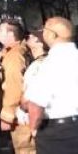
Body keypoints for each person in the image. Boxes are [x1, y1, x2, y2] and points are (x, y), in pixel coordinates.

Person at [25, 17, 78, 154]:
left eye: (44, 29)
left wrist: (33, 129)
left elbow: (36, 104)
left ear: (52, 35)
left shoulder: (50, 64)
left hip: (58, 133)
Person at [0, 19, 34, 153]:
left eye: (0, 30)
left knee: (25, 149)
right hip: (27, 112)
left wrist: (7, 116)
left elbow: (14, 87)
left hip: (20, 116)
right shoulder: (19, 51)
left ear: (11, 35)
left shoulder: (14, 57)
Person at [17, 28, 48, 129]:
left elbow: (29, 98)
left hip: (43, 121)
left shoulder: (37, 67)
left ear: (41, 44)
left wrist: (21, 110)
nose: (29, 36)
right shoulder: (52, 61)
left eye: (34, 36)